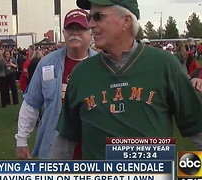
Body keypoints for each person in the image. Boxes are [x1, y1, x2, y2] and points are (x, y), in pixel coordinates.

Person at [50, 0, 202, 160]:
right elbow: (65, 141)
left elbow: (196, 127)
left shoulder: (164, 65)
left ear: (126, 21)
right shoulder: (81, 73)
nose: (90, 25)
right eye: (90, 18)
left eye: (98, 16)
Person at [15, 8, 97, 159]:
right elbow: (31, 103)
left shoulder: (102, 65)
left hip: (92, 147)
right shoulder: (47, 62)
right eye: (70, 28)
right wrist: (21, 140)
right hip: (54, 146)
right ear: (64, 33)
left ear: (91, 33)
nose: (74, 33)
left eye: (80, 28)